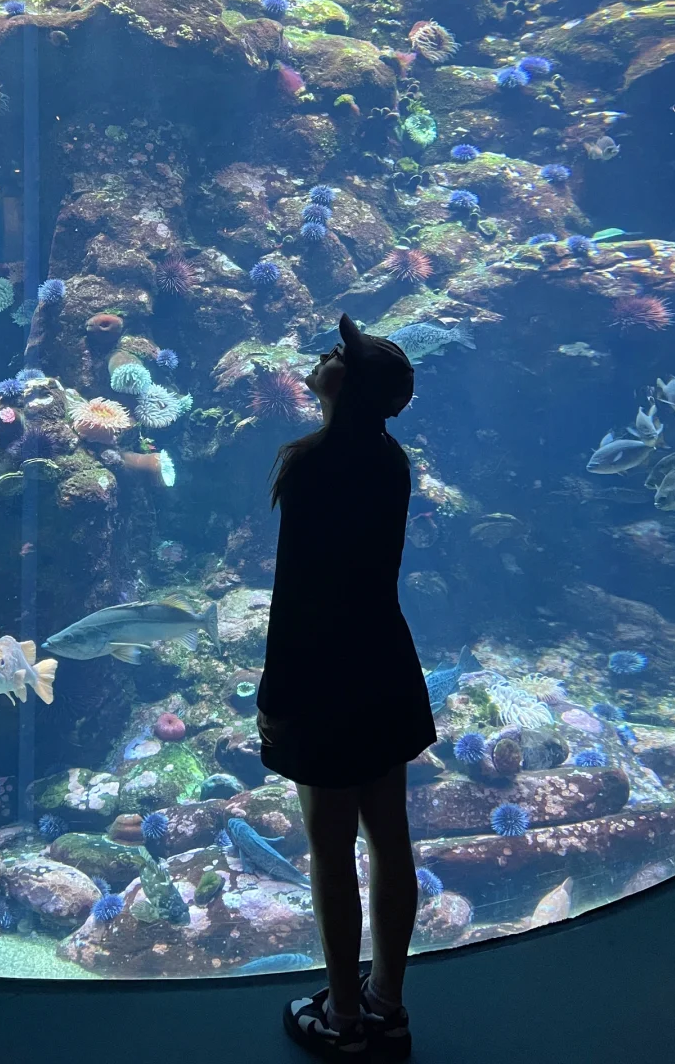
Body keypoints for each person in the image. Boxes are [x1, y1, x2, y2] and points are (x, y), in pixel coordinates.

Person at [256, 312, 436, 1059]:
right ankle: (387, 1003)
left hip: (324, 675)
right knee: (389, 837)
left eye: (339, 354)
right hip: (384, 664)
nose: (326, 355)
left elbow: (296, 593)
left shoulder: (312, 464)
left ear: (350, 387)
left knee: (331, 847)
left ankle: (343, 1019)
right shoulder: (390, 460)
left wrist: (274, 696)